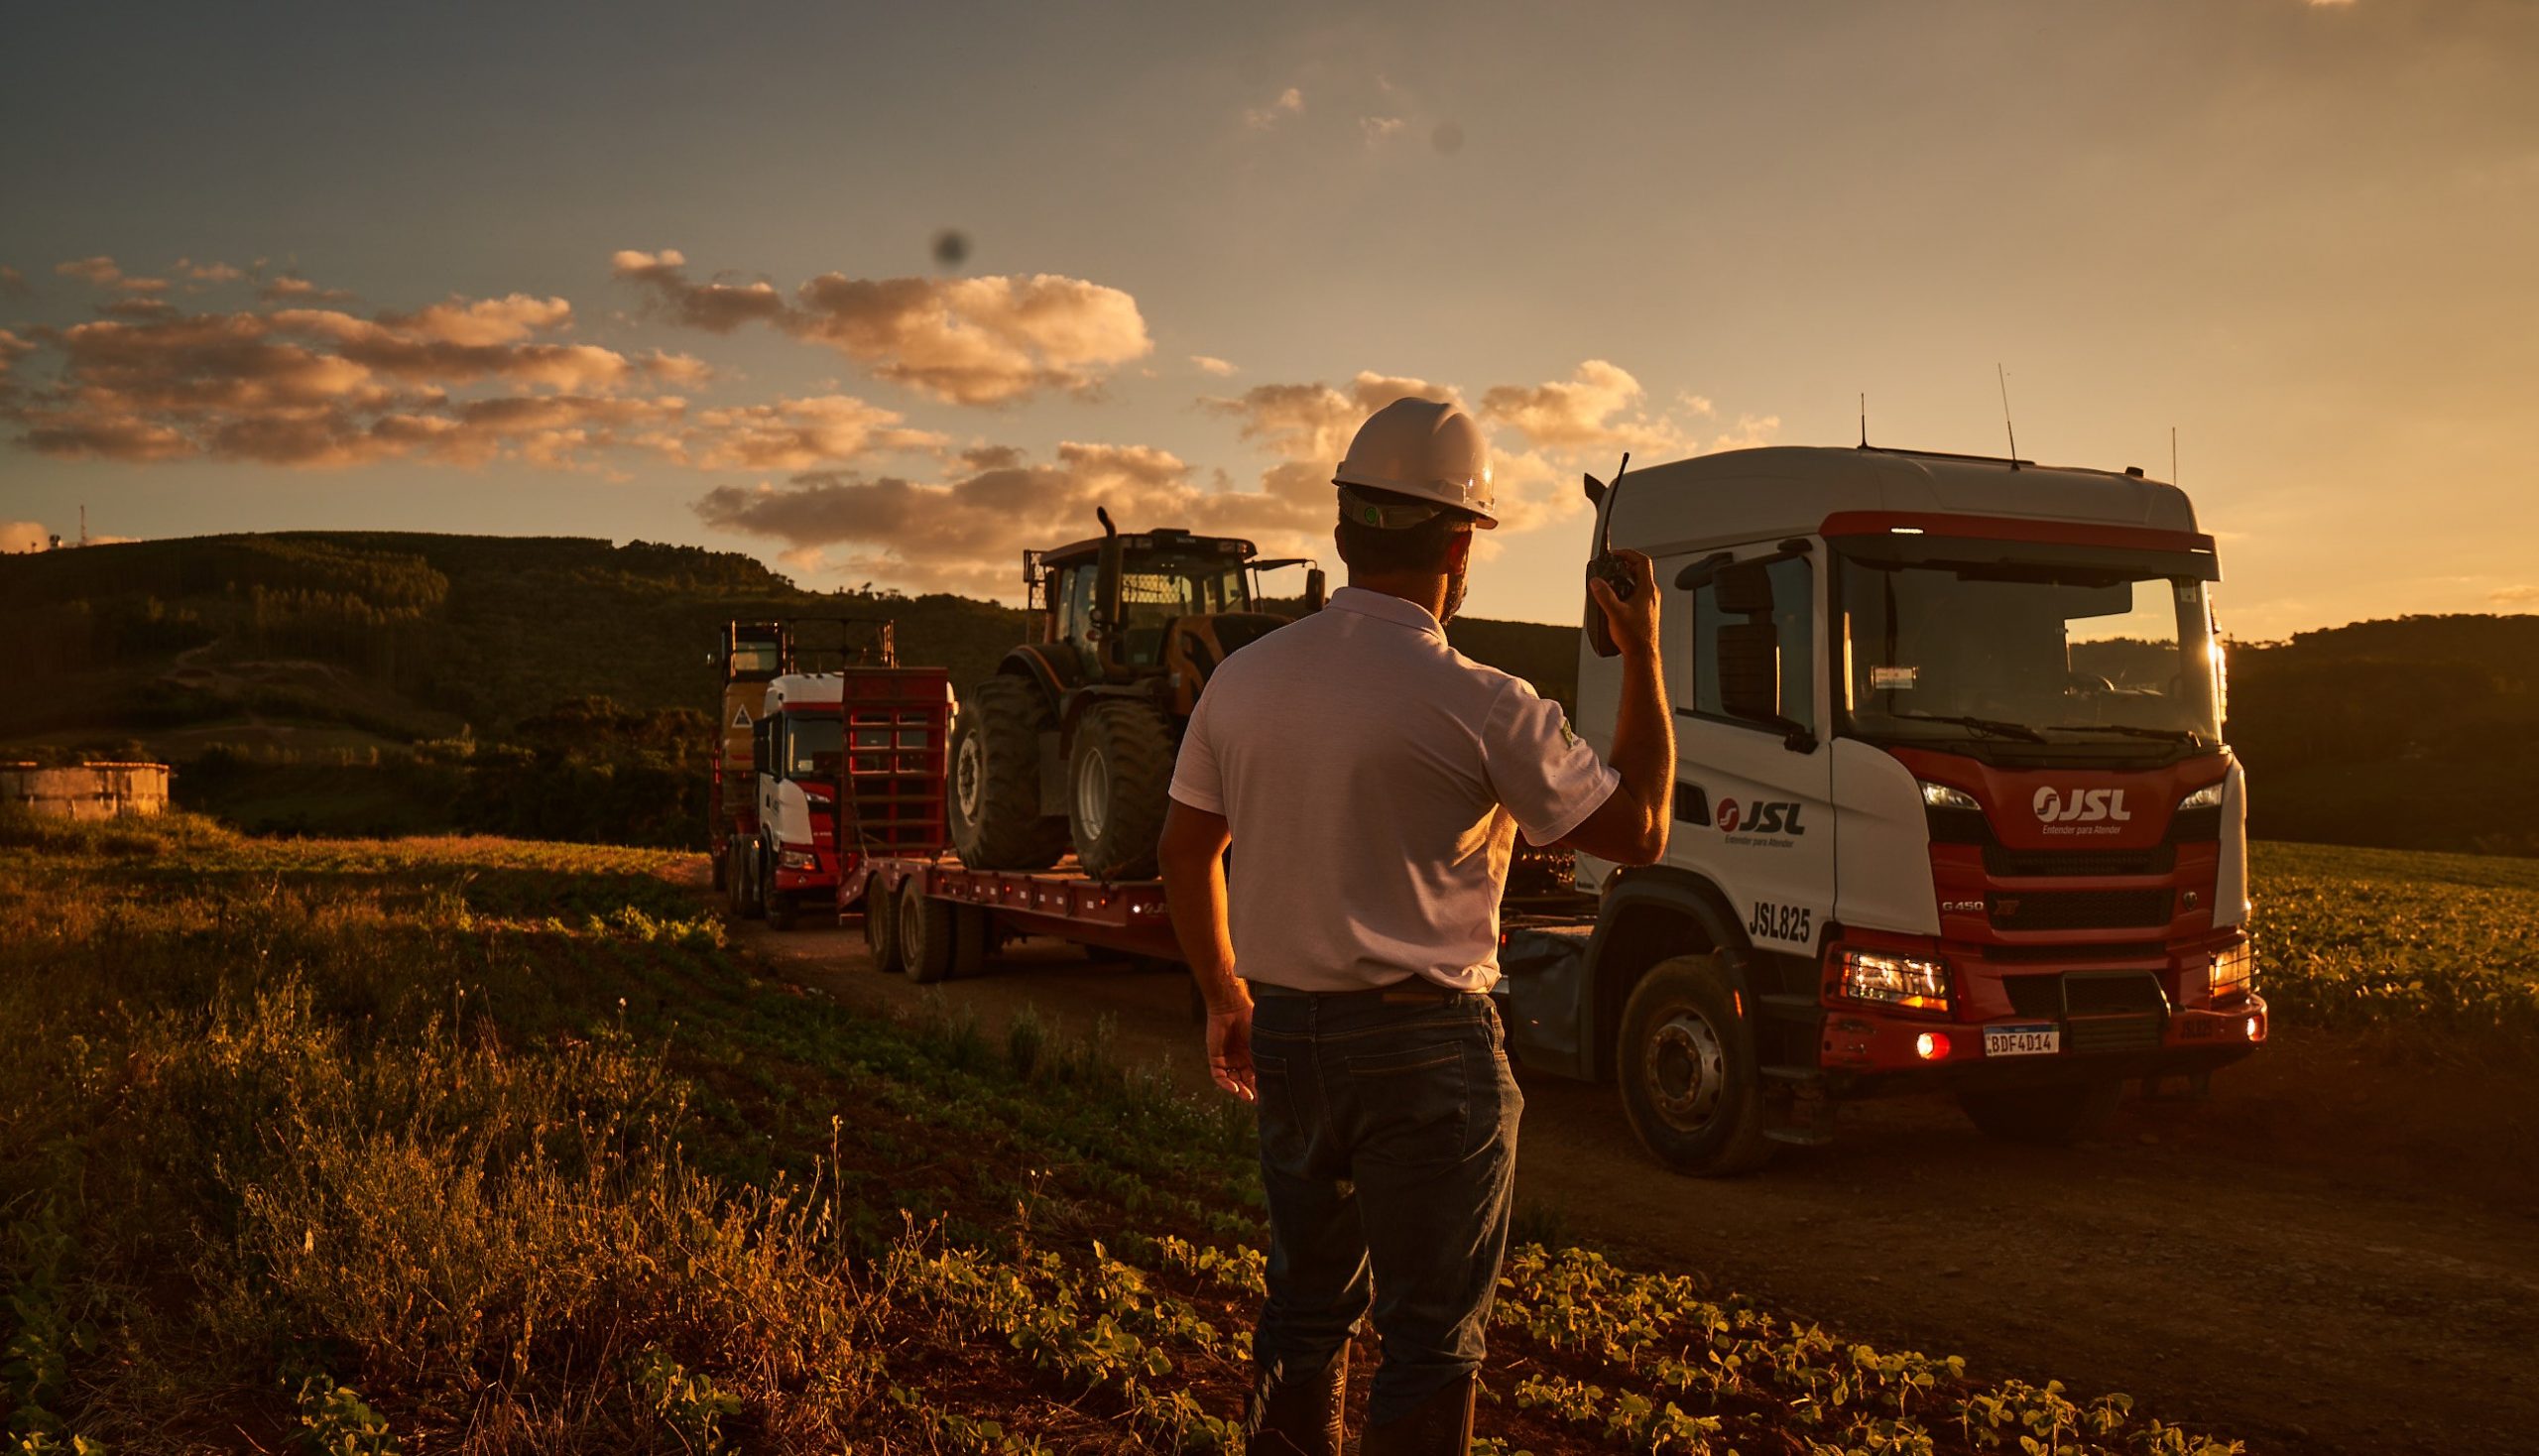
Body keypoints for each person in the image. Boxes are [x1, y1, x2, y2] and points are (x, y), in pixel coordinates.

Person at [1158, 398, 1674, 1456]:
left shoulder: (1240, 681)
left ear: (1347, 529)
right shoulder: (1484, 702)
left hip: (1290, 1036)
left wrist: (1224, 994)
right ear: (1457, 543)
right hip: (1424, 1051)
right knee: (1429, 1346)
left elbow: (1183, 849)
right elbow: (1641, 830)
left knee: (1303, 1314)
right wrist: (1644, 651)